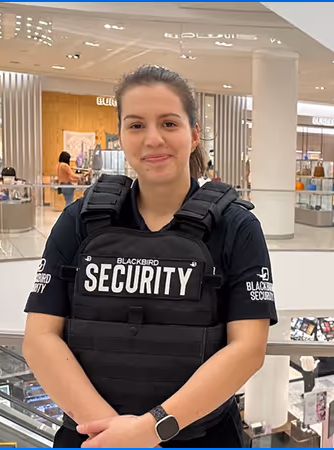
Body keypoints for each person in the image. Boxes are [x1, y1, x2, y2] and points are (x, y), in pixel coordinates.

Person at [23, 65, 277, 448]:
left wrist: (147, 431)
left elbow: (247, 350)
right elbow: (40, 337)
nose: (153, 139)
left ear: (193, 136)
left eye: (169, 124)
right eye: (136, 125)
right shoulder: (79, 220)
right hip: (95, 437)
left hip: (201, 437)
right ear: (122, 136)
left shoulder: (236, 227)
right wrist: (112, 431)